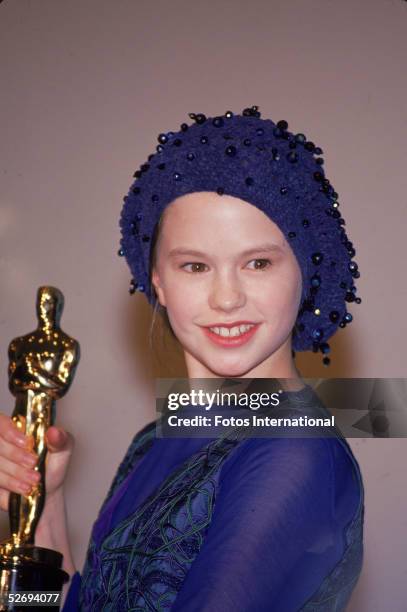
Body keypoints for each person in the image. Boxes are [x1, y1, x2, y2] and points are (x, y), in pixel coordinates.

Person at [0, 106, 365, 611]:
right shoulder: (155, 437)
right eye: (195, 266)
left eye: (257, 263)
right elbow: (64, 605)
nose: (226, 298)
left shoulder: (291, 451)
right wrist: (45, 502)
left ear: (305, 271)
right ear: (158, 283)